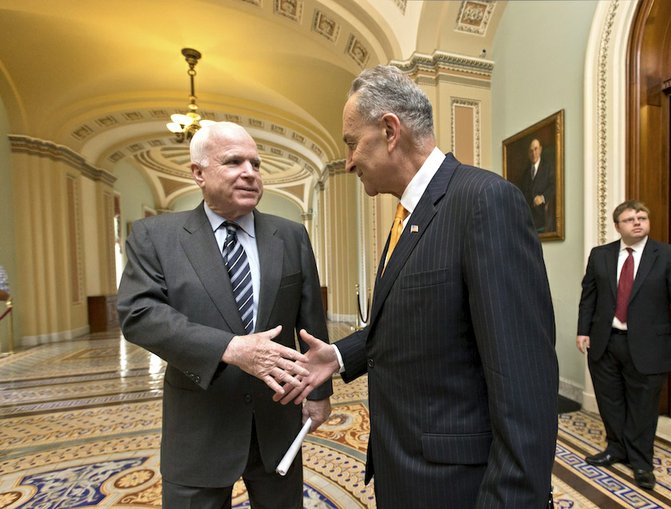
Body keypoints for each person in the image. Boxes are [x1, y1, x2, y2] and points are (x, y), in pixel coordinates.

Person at [280, 65, 559, 508]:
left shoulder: (483, 202)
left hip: (456, 484)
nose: (349, 160)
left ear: (390, 130)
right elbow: (416, 319)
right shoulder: (406, 216)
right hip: (403, 468)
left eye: (352, 143)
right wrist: (337, 356)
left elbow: (524, 381)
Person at [117, 122, 332, 508]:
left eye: (255, 163)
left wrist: (318, 392)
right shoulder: (155, 236)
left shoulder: (291, 235)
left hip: (276, 420)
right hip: (200, 424)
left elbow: (310, 321)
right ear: (198, 173)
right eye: (233, 161)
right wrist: (229, 348)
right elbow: (139, 313)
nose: (250, 172)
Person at [576, 200, 671, 490]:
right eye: (630, 218)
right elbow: (589, 297)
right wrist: (583, 330)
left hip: (649, 346)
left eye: (642, 217)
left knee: (643, 407)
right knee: (610, 401)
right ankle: (615, 448)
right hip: (606, 342)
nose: (637, 222)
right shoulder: (600, 255)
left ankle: (641, 461)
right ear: (617, 225)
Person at [516, 138, 555, 233]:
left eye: (536, 149)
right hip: (528, 219)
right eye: (531, 151)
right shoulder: (525, 173)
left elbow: (554, 186)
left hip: (542, 216)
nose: (533, 153)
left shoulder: (548, 167)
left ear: (540, 149)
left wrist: (543, 197)